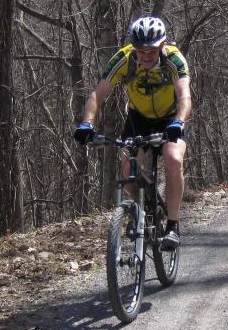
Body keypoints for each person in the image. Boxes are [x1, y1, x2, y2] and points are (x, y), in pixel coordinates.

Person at [74, 14, 191, 249]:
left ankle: (172, 225)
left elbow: (185, 96)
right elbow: (98, 94)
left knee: (174, 160)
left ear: (162, 46)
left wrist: (178, 120)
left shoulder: (174, 59)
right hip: (138, 118)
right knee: (128, 172)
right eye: (141, 51)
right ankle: (142, 210)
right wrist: (86, 123)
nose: (146, 56)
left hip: (170, 119)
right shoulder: (124, 59)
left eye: (152, 51)